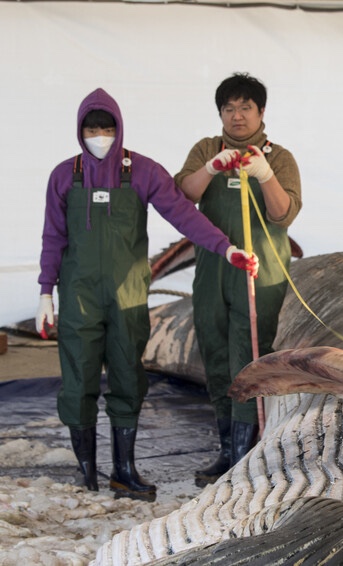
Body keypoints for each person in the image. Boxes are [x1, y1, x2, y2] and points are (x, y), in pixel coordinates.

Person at [36, 88, 258, 501]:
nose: (99, 135)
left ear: (118, 128)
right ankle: (86, 474)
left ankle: (125, 471)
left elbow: (184, 215)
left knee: (127, 376)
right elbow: (54, 236)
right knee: (78, 380)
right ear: (79, 130)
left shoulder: (143, 172)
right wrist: (45, 292)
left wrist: (225, 247)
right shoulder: (64, 175)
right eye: (91, 128)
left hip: (128, 297)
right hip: (79, 297)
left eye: (106, 127)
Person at [175, 73, 302, 487]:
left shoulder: (279, 157)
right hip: (212, 269)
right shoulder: (205, 149)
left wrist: (265, 175)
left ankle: (250, 453)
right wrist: (212, 168)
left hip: (259, 273)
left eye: (245, 107)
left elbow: (284, 213)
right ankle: (227, 451)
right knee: (213, 351)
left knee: (250, 356)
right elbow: (184, 197)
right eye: (229, 109)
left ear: (261, 112)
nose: (237, 116)